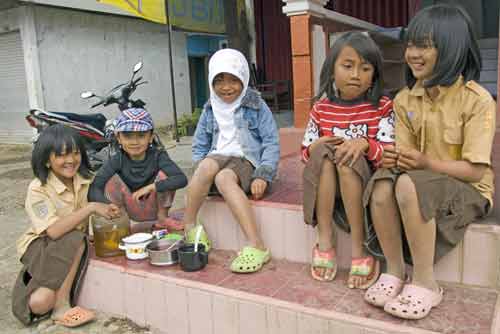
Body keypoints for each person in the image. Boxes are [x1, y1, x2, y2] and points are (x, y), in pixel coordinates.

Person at [363, 4, 496, 320]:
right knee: (382, 182)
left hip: (468, 189)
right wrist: (395, 157)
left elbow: (476, 169)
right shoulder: (405, 99)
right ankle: (394, 271)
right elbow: (407, 163)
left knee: (410, 184)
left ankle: (426, 283)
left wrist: (423, 163)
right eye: (410, 44)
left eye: (424, 45)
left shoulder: (477, 100)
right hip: (423, 181)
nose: (412, 54)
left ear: (451, 49)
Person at [302, 31, 395, 289]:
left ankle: (359, 245)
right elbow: (305, 151)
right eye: (348, 66)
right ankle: (325, 238)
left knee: (345, 158)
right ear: (332, 70)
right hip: (327, 182)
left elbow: (389, 151)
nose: (356, 74)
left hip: (362, 182)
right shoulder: (321, 108)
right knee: (324, 153)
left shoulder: (383, 106)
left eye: (365, 68)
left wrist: (365, 143)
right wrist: (316, 146)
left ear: (374, 75)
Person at [12, 124, 120, 327]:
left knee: (40, 302)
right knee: (74, 239)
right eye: (61, 155)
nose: (70, 160)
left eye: (75, 153)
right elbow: (53, 231)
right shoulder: (38, 188)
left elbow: (101, 206)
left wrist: (110, 210)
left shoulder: (86, 179)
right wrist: (91, 208)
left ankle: (44, 298)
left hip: (70, 245)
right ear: (46, 160)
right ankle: (62, 306)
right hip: (40, 245)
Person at [183, 48, 280, 273]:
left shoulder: (256, 104)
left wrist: (263, 175)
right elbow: (199, 145)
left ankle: (257, 245)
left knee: (225, 178)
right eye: (219, 80)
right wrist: (200, 177)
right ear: (211, 82)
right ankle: (189, 226)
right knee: (207, 165)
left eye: (233, 79)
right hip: (217, 158)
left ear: (244, 78)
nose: (226, 87)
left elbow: (271, 142)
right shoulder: (210, 108)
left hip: (247, 161)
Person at [88, 108, 188, 233]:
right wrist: (108, 205)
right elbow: (94, 188)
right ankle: (123, 222)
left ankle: (163, 218)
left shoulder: (158, 156)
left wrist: (151, 187)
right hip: (125, 210)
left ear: (151, 137)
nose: (134, 142)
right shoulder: (116, 160)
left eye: (141, 136)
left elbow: (181, 179)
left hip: (153, 206)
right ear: (118, 138)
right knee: (111, 180)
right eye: (127, 136)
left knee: (165, 176)